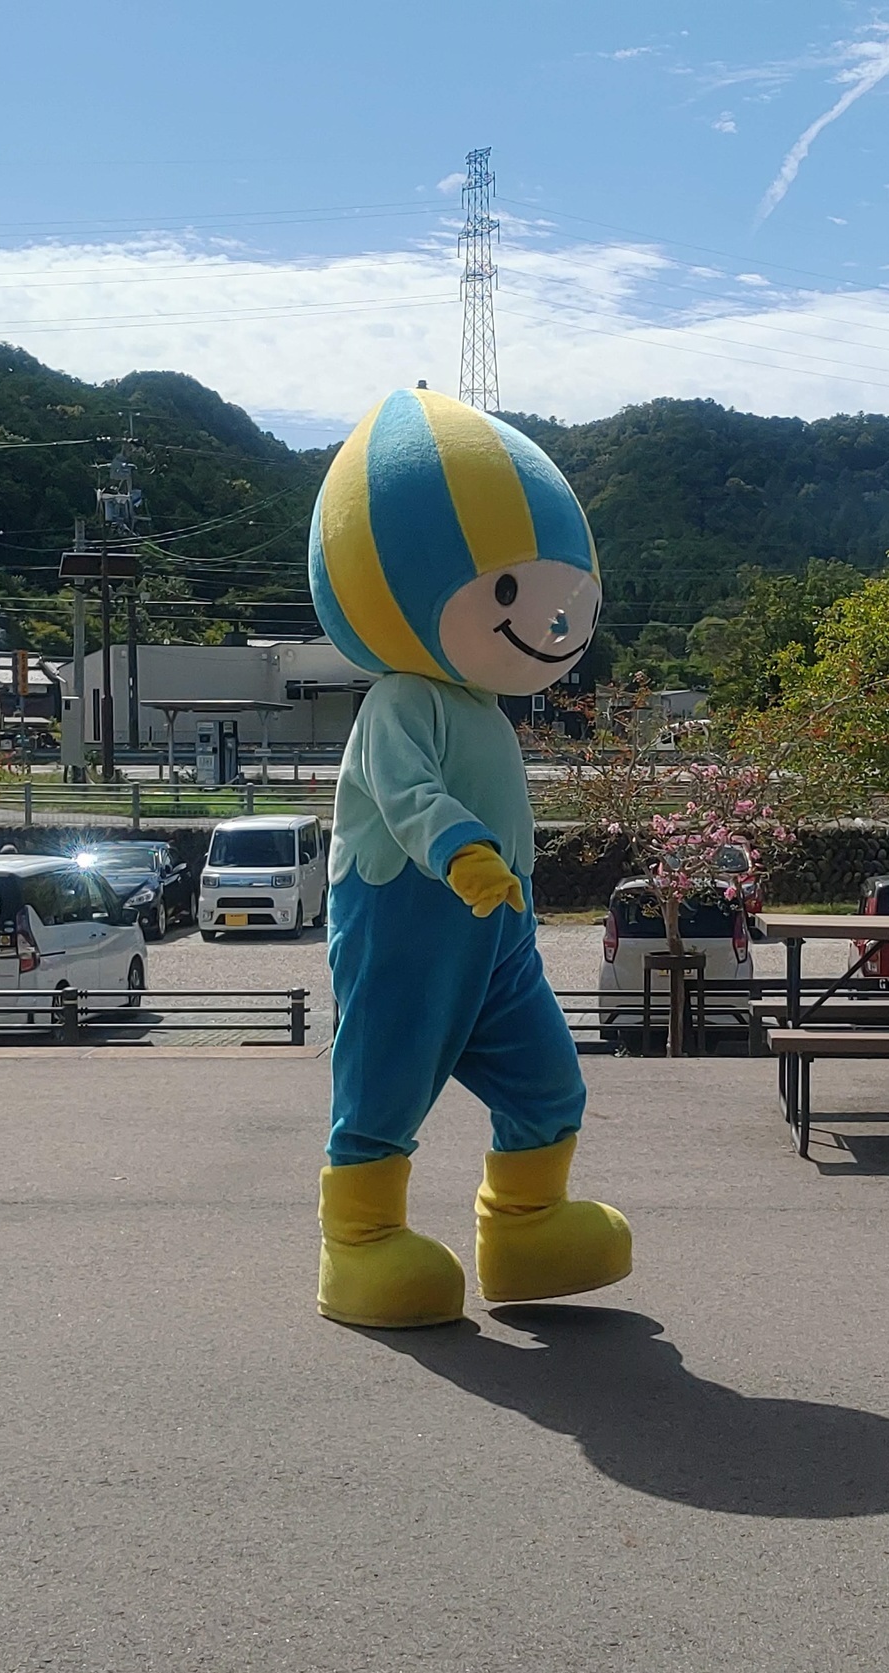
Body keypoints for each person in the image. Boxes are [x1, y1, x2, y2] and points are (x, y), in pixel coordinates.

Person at [308, 387, 631, 1328]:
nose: (548, 622)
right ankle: (359, 1242)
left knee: (548, 1080)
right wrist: (463, 855)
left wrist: (507, 882)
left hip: (497, 930)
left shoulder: (483, 708)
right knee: (383, 1078)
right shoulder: (398, 703)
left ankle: (524, 1225)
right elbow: (411, 796)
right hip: (403, 920)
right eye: (506, 590)